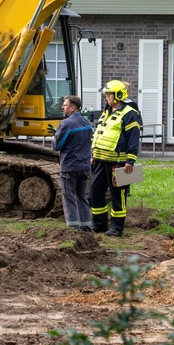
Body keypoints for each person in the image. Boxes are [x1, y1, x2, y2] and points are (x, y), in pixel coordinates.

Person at [90, 80, 142, 237]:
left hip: (118, 163)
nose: (107, 97)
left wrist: (130, 160)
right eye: (106, 94)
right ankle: (99, 225)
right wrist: (93, 154)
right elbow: (100, 133)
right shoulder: (107, 112)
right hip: (100, 160)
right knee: (95, 191)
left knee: (118, 196)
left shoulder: (130, 113)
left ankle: (117, 228)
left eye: (110, 94)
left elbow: (133, 138)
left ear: (119, 94)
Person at [52, 96, 94, 232]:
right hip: (84, 166)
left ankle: (73, 227)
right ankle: (86, 225)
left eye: (65, 105)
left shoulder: (66, 124)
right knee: (82, 195)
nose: (62, 107)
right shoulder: (87, 122)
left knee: (69, 196)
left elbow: (57, 146)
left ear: (72, 107)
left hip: (70, 166)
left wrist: (55, 136)